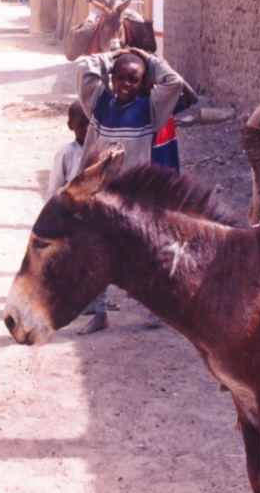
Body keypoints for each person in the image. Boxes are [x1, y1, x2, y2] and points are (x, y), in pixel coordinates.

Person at [75, 47, 188, 334]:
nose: (126, 84)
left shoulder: (151, 111)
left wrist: (149, 59)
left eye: (134, 80)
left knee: (144, 251)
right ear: (111, 79)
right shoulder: (99, 105)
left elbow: (174, 83)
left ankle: (155, 308)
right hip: (100, 192)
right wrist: (113, 55)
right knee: (96, 250)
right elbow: (84, 70)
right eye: (120, 78)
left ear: (143, 83)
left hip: (134, 196)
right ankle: (99, 312)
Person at [48, 102, 108, 331]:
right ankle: (91, 304)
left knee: (98, 261)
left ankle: (101, 313)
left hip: (97, 215)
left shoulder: (102, 151)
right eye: (80, 125)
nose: (85, 129)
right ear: (70, 126)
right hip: (74, 216)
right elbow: (55, 186)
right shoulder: (66, 154)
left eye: (89, 124)